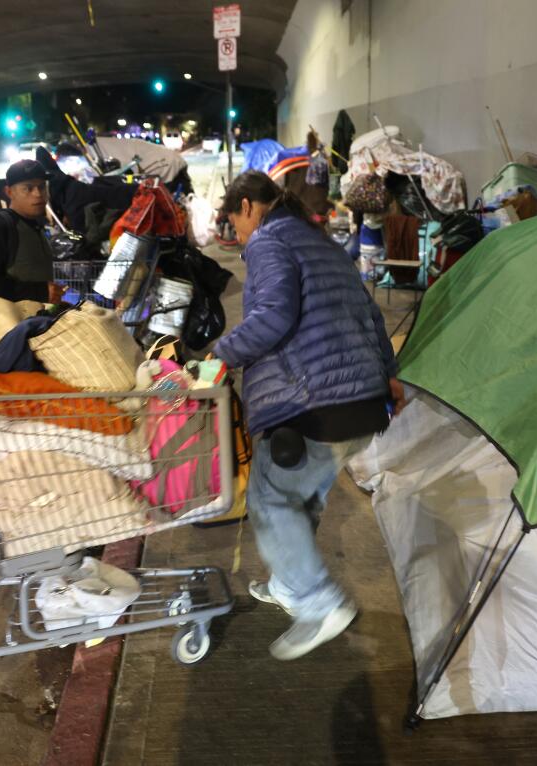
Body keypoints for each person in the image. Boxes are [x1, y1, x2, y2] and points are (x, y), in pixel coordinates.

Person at [213, 170, 406, 660]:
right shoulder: (321, 243)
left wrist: (220, 355)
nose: (237, 234)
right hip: (361, 402)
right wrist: (389, 375)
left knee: (271, 499)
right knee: (303, 499)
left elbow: (274, 316)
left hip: (314, 401)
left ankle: (319, 602)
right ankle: (287, 584)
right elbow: (369, 314)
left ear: (249, 208)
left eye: (234, 221)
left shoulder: (268, 240)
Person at [0, 159, 61, 302]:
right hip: (16, 322)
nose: (38, 194)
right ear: (9, 192)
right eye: (28, 188)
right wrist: (39, 292)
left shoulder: (35, 223)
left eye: (42, 187)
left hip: (40, 320)